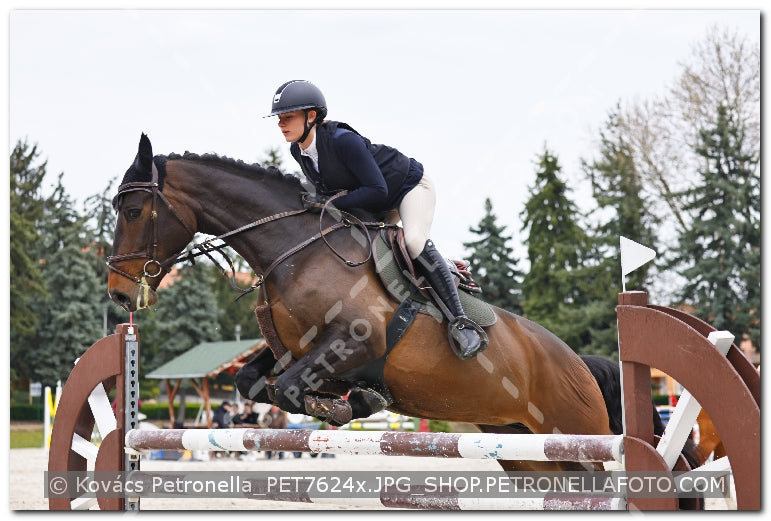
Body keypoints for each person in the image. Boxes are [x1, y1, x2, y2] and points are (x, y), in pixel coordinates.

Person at [265, 80, 486, 359]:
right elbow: (328, 193)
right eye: (279, 118)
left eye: (287, 117)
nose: (280, 124)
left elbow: (376, 189)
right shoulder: (299, 151)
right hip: (370, 201)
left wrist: (330, 203)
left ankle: (462, 322)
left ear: (311, 116)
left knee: (415, 241)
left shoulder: (343, 140)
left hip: (407, 188)